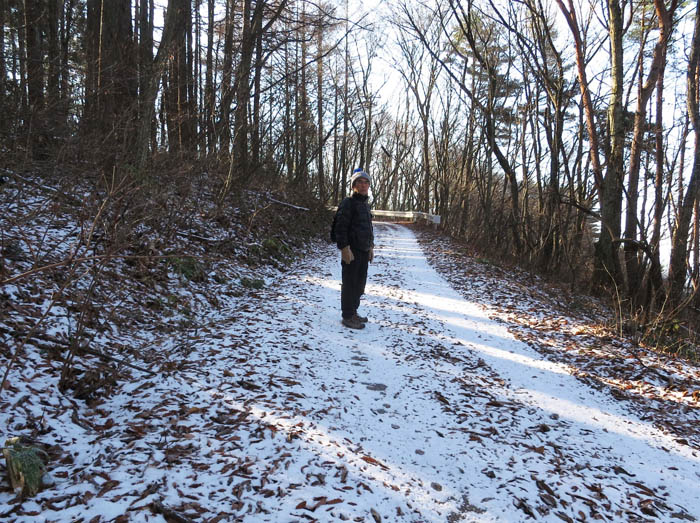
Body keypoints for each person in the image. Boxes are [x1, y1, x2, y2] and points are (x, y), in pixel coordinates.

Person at [334, 168, 374, 329]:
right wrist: (344, 248)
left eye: (366, 182)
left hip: (364, 250)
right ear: (353, 186)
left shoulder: (365, 205)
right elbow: (340, 227)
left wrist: (371, 247)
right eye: (359, 182)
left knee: (359, 285)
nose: (363, 185)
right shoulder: (348, 203)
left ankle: (354, 311)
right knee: (349, 284)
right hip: (352, 250)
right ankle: (348, 316)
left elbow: (368, 228)